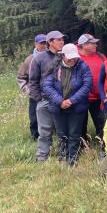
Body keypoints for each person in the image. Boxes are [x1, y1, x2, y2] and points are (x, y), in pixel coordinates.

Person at [42, 44, 92, 166]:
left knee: (74, 133)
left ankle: (73, 158)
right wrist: (60, 101)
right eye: (70, 57)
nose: (73, 60)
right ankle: (63, 156)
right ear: (63, 55)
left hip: (77, 106)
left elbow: (87, 85)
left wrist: (71, 100)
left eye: (74, 57)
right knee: (61, 133)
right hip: (58, 107)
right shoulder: (54, 66)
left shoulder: (83, 66)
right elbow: (47, 86)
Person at [29, 30, 65, 162]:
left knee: (62, 130)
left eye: (62, 39)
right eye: (58, 40)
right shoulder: (39, 58)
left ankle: (64, 155)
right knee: (44, 131)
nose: (62, 42)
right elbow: (33, 81)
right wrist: (38, 99)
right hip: (44, 100)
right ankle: (42, 156)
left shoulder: (65, 56)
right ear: (50, 42)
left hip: (62, 100)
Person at [77, 34, 107, 144]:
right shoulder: (75, 57)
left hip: (99, 97)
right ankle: (83, 146)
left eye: (95, 42)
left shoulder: (101, 56)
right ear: (84, 45)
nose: (96, 45)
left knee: (102, 123)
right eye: (92, 43)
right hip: (81, 98)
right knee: (81, 125)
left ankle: (103, 145)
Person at [17, 34, 47, 140]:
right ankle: (35, 137)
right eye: (41, 43)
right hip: (34, 94)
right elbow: (21, 77)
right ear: (36, 44)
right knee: (34, 118)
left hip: (50, 93)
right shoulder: (29, 60)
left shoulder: (53, 56)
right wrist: (29, 91)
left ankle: (52, 136)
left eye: (46, 43)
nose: (44, 45)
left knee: (52, 116)